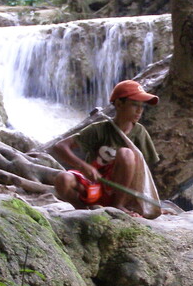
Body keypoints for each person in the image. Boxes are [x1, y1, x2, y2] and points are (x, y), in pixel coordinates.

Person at [51, 80, 160, 215]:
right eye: (134, 105)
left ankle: (118, 206)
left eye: (142, 106)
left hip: (122, 193)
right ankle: (83, 209)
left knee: (126, 153)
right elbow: (60, 147)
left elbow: (146, 170)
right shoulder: (99, 129)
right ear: (119, 104)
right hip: (94, 188)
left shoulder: (139, 132)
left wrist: (151, 202)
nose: (139, 110)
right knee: (63, 178)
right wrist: (83, 166)